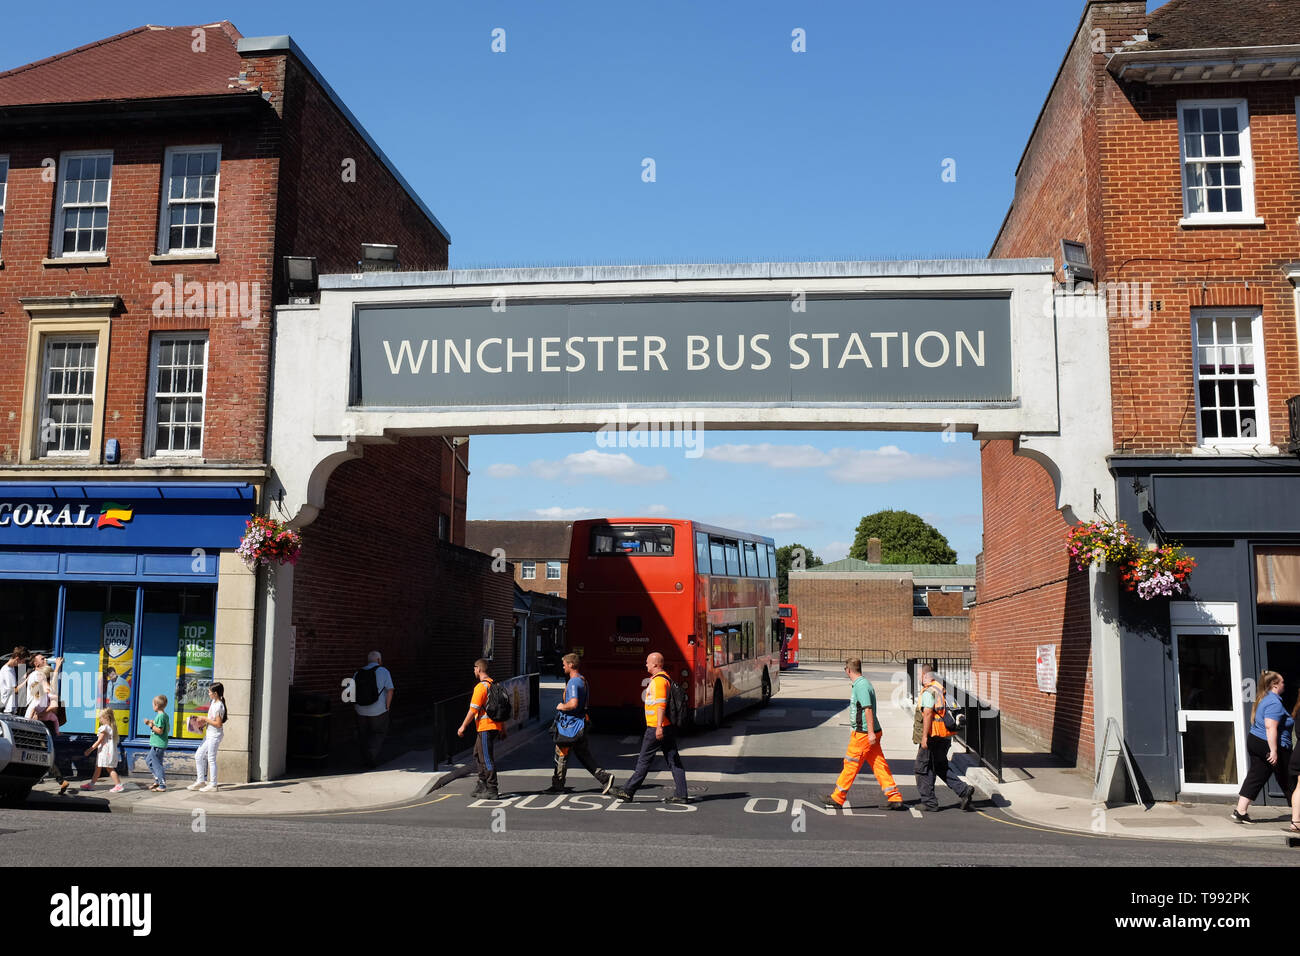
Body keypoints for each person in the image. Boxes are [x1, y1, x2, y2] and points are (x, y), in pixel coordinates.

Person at [825, 658, 904, 810]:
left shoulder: (861, 686)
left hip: (863, 734)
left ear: (848, 670)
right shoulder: (863, 683)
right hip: (870, 732)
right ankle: (894, 797)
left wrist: (870, 733)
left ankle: (837, 797)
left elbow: (867, 709)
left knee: (851, 764)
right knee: (879, 764)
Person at [613, 652, 688, 804]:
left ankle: (628, 791)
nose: (645, 664)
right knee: (673, 760)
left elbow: (660, 705)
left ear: (655, 664)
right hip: (664, 727)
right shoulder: (663, 678)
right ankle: (681, 794)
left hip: (656, 728)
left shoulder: (659, 681)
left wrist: (659, 727)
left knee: (644, 761)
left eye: (647, 662)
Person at [546, 653, 615, 795]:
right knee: (583, 754)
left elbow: (573, 703)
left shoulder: (573, 682)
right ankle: (605, 778)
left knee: (561, 754)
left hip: (570, 726)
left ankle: (558, 785)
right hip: (580, 723)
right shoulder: (583, 680)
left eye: (564, 664)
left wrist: (561, 706)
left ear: (571, 665)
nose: (563, 666)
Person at [1233, 670, 1294, 824]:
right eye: (1282, 682)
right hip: (1270, 744)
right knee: (1289, 779)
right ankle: (1297, 817)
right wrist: (1273, 751)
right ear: (1274, 685)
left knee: (1257, 775)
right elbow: (1270, 727)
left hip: (1255, 741)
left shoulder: (1265, 699)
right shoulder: (1274, 702)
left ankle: (1240, 811)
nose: (1284, 685)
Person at [913, 663, 975, 812]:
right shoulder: (940, 688)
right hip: (945, 736)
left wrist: (924, 738)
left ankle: (929, 802)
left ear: (924, 675)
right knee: (940, 766)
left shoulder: (929, 692)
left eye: (918, 675)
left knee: (922, 768)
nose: (917, 678)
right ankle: (964, 791)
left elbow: (927, 714)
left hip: (933, 735)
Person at [457, 659, 506, 799]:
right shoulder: (495, 685)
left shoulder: (480, 687)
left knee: (486, 758)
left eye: (474, 668)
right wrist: (503, 728)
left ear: (478, 669)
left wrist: (463, 726)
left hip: (485, 727)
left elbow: (473, 710)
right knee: (477, 754)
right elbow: (501, 708)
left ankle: (492, 789)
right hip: (494, 726)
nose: (473, 671)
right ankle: (482, 784)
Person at [24, 665, 69, 794]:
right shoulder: (43, 686)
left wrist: (41, 714)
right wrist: (57, 667)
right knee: (38, 752)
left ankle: (60, 780)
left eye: (39, 674)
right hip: (40, 723)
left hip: (44, 724)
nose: (37, 675)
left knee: (42, 754)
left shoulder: (48, 688)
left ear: (43, 676)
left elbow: (54, 706)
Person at [353, 651, 394, 768]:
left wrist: (356, 707)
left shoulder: (358, 673)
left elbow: (351, 691)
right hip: (379, 710)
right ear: (379, 660)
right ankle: (371, 756)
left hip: (360, 710)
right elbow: (390, 690)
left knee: (363, 734)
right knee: (378, 733)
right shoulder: (384, 671)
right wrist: (387, 706)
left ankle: (364, 758)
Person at [187, 682, 227, 793]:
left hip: (215, 735)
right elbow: (212, 719)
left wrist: (204, 719)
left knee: (211, 758)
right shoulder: (213, 702)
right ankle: (201, 781)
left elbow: (219, 724)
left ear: (215, 693)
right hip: (209, 734)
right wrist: (200, 724)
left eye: (209, 692)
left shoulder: (219, 705)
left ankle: (213, 785)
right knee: (198, 755)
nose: (208, 693)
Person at [81, 707, 124, 793]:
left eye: (100, 718)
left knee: (109, 768)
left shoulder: (104, 728)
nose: (99, 720)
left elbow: (99, 740)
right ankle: (91, 784)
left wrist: (90, 749)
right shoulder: (111, 728)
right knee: (98, 767)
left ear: (106, 718)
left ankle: (118, 785)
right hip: (106, 751)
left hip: (105, 752)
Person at [143, 695, 171, 792]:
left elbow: (160, 731)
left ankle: (162, 785)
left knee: (157, 764)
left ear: (156, 705)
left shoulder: (160, 716)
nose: (152, 706)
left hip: (158, 744)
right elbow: (168, 728)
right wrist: (153, 722)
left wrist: (150, 725)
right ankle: (158, 780)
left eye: (153, 704)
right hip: (158, 744)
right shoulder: (164, 716)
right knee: (148, 761)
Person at [0, 649, 25, 714]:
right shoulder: (7, 670)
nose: (23, 663)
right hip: (8, 709)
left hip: (11, 708)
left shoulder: (12, 668)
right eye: (22, 661)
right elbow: (15, 690)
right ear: (17, 659)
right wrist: (27, 679)